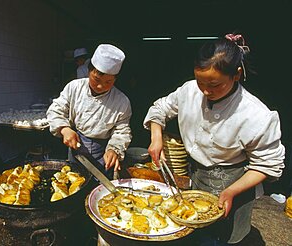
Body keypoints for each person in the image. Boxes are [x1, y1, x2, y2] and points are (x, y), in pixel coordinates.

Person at [143, 33, 285, 245]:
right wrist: (156, 138)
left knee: (225, 237)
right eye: (201, 82)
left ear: (236, 75)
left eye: (215, 85)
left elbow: (268, 165)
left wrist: (231, 191)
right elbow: (160, 109)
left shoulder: (256, 115)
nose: (206, 91)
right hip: (197, 174)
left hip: (234, 181)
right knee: (194, 231)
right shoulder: (189, 91)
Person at [47, 44, 132, 179]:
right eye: (97, 79)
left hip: (103, 152)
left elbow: (122, 131)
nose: (100, 86)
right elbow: (56, 109)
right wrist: (64, 129)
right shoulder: (74, 87)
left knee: (100, 187)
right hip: (77, 146)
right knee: (75, 181)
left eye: (108, 82)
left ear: (115, 79)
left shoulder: (122, 101)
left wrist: (114, 149)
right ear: (89, 71)